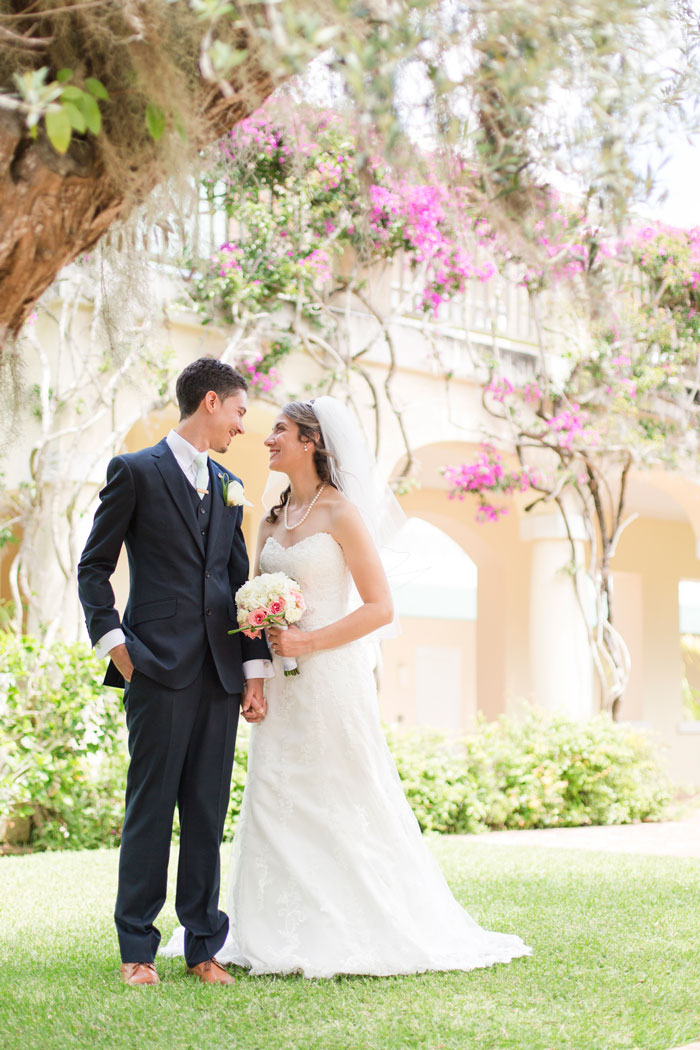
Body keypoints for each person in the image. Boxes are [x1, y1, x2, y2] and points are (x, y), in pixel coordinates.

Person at [162, 396, 531, 977]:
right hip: (281, 689)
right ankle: (271, 927)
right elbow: (254, 603)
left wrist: (309, 642)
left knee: (340, 796)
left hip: (330, 680)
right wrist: (255, 675)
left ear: (310, 440)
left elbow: (381, 608)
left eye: (279, 430)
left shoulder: (342, 514)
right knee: (276, 795)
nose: (267, 439)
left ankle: (352, 921)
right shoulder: (271, 519)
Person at [78, 358, 271, 987]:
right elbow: (94, 567)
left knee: (206, 814)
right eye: (240, 412)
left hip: (219, 673)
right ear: (210, 402)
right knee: (151, 808)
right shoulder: (134, 471)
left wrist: (252, 670)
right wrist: (117, 647)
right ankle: (138, 949)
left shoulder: (229, 483)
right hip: (155, 668)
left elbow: (239, 584)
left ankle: (202, 949)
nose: (243, 426)